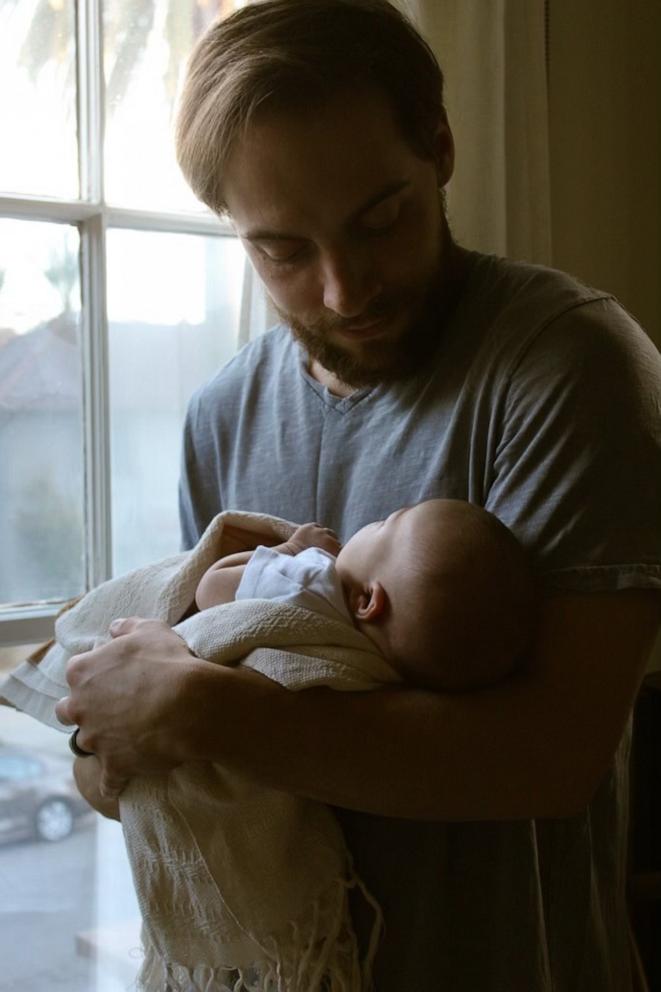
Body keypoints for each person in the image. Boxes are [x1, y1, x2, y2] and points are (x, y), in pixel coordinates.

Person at [57, 1, 661, 989]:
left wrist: (201, 711)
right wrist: (110, 736)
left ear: (440, 146)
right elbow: (154, 742)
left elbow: (553, 757)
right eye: (281, 251)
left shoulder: (567, 366)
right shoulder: (221, 415)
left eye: (379, 219)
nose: (343, 290)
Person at [198, 499, 536, 693]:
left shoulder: (310, 584)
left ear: (366, 601)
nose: (371, 522)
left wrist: (293, 548)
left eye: (383, 524)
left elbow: (208, 591)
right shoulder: (386, 680)